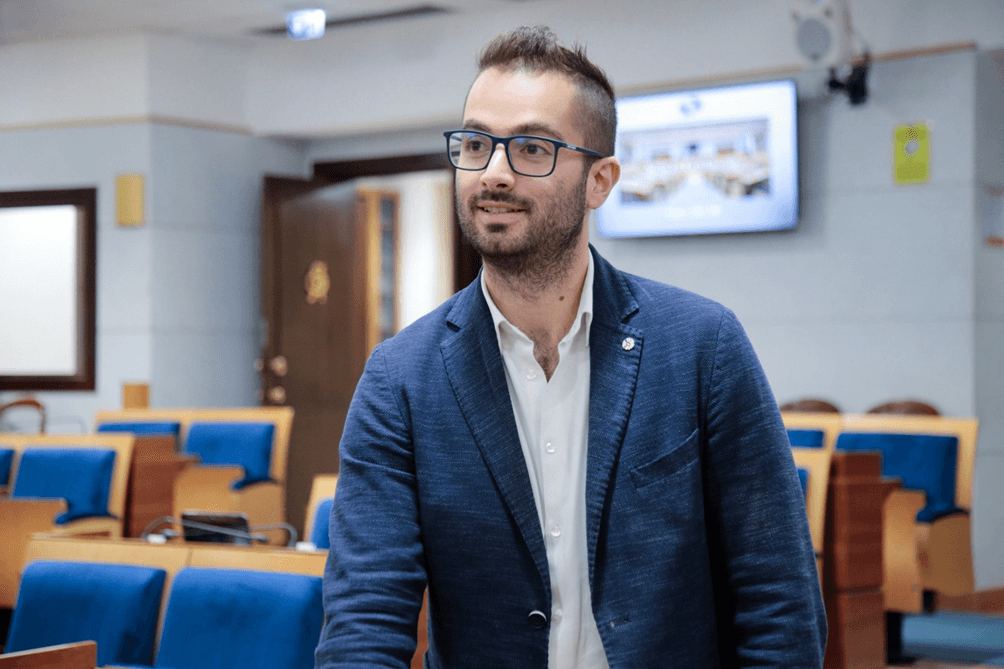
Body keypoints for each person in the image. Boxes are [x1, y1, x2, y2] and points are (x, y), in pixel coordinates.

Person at [315, 25, 826, 669]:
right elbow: (365, 616)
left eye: (531, 148)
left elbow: (777, 595)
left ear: (600, 181)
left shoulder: (702, 347)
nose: (493, 173)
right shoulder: (400, 378)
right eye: (475, 144)